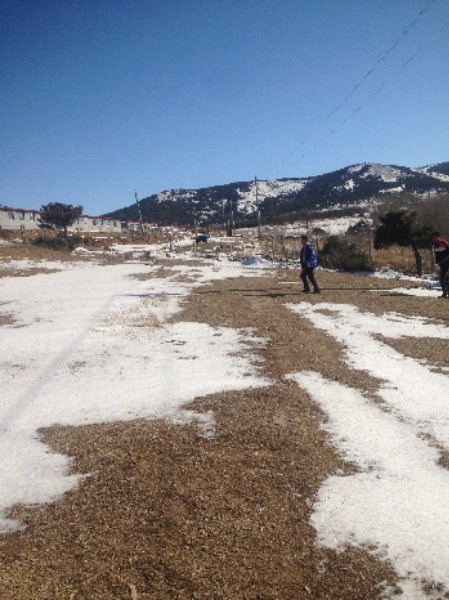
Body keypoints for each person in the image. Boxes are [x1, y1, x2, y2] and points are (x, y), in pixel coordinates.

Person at [432, 231, 449, 298]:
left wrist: (445, 260)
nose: (434, 239)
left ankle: (445, 293)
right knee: (445, 278)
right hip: (442, 264)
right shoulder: (435, 246)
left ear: (438, 237)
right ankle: (445, 293)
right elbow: (437, 255)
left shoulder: (444, 243)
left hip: (447, 262)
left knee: (444, 277)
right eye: (433, 238)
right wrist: (437, 262)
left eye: (435, 237)